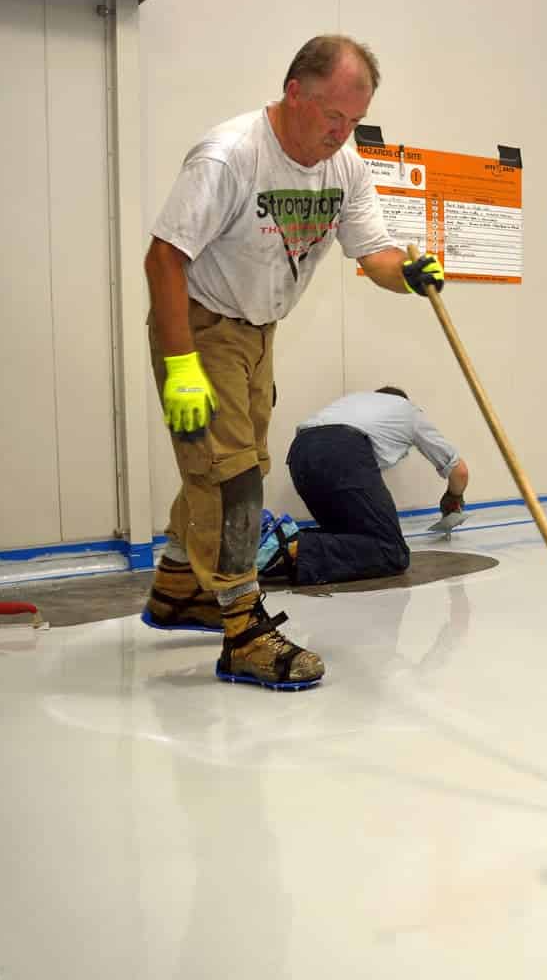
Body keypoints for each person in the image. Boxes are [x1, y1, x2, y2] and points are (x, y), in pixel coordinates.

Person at [139, 34, 446, 691]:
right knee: (231, 482)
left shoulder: (346, 170)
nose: (342, 132)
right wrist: (183, 365)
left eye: (354, 120)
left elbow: (374, 255)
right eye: (333, 115)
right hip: (198, 322)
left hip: (258, 331)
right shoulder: (232, 156)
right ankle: (243, 631)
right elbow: (163, 258)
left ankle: (176, 585)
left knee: (238, 462)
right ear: (294, 91)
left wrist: (411, 273)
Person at [257, 387, 470, 586]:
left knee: (349, 536)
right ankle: (286, 546)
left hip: (300, 454)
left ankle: (272, 541)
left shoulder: (355, 402)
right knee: (391, 552)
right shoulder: (408, 410)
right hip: (343, 449)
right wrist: (453, 497)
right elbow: (459, 471)